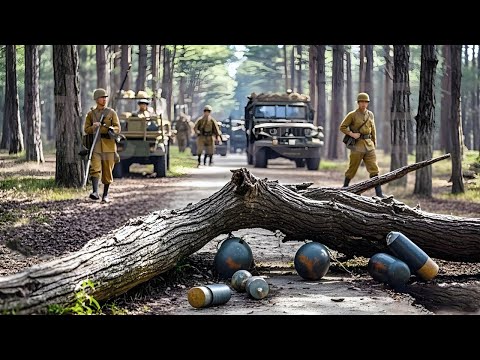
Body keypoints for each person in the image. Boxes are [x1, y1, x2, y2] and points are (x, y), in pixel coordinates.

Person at [339, 92, 384, 197]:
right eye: (362, 102)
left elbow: (373, 129)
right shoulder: (352, 115)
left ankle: (379, 194)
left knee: (374, 168)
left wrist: (374, 142)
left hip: (369, 145)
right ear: (358, 103)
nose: (364, 104)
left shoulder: (370, 114)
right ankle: (344, 189)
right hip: (357, 146)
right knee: (352, 168)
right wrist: (351, 134)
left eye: (366, 102)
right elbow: (342, 127)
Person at [84, 88, 121, 203]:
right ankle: (95, 192)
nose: (104, 100)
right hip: (96, 145)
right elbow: (86, 129)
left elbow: (118, 128)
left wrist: (111, 129)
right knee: (95, 168)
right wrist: (94, 127)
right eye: (102, 97)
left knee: (107, 171)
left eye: (105, 97)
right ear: (96, 99)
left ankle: (105, 195)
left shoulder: (111, 112)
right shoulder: (91, 114)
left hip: (109, 145)